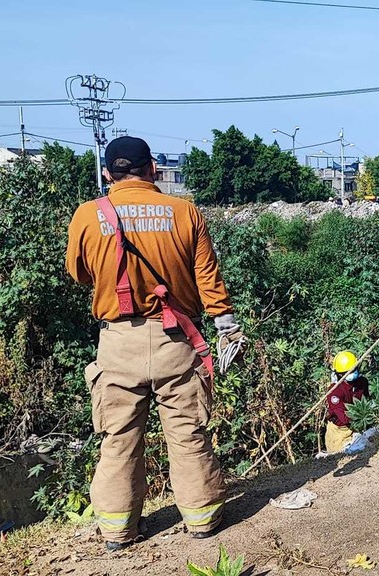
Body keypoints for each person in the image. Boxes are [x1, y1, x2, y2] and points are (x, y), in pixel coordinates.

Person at [66, 136, 241, 551]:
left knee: (119, 436)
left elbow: (80, 274)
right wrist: (226, 326)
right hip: (177, 339)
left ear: (108, 174)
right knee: (187, 432)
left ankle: (117, 531)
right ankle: (202, 520)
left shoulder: (88, 216)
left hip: (119, 342)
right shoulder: (184, 212)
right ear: (153, 171)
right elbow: (208, 279)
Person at [324, 350, 370, 453]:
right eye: (349, 372)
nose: (353, 373)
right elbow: (345, 418)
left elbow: (367, 401)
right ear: (340, 374)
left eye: (354, 370)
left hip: (358, 427)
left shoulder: (362, 382)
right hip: (339, 432)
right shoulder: (334, 391)